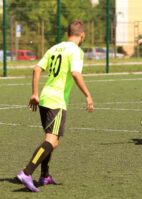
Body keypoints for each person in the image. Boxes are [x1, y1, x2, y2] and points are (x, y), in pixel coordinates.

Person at [16, 20, 94, 192]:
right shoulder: (76, 51)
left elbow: (37, 69)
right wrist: (88, 94)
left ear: (68, 33)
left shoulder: (54, 48)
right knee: (51, 140)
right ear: (82, 35)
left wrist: (35, 93)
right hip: (56, 102)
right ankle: (27, 172)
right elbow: (75, 73)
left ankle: (44, 176)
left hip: (44, 98)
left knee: (52, 140)